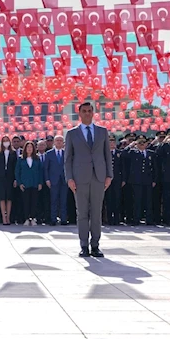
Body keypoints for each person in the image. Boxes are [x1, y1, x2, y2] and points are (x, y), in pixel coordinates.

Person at [65, 102, 112, 258]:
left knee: (97, 213)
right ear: (79, 113)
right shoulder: (72, 133)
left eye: (89, 111)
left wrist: (109, 175)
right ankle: (84, 245)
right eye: (84, 111)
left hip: (98, 176)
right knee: (82, 213)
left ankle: (96, 245)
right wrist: (69, 178)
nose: (87, 113)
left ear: (93, 113)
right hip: (80, 178)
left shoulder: (102, 131)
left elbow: (107, 155)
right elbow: (68, 158)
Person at [126, 136, 156, 225]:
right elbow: (124, 154)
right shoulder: (132, 153)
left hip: (148, 180)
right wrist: (130, 145)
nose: (142, 145)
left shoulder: (151, 154)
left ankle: (149, 219)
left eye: (144, 143)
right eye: (140, 143)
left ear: (146, 144)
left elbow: (155, 168)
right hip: (136, 180)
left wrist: (154, 179)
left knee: (148, 201)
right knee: (137, 200)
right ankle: (136, 219)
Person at [15, 140, 43, 226]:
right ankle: (26, 218)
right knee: (25, 202)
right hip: (25, 183)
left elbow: (40, 171)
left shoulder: (37, 159)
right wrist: (20, 183)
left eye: (31, 147)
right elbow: (17, 172)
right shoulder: (21, 158)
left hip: (35, 183)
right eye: (28, 147)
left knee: (34, 202)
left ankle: (33, 218)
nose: (29, 149)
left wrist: (40, 183)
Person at [44, 135, 68, 226]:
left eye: (61, 141)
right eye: (57, 140)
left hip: (64, 180)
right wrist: (47, 179)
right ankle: (53, 219)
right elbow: (46, 168)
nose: (59, 142)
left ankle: (63, 219)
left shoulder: (66, 153)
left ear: (63, 143)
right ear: (54, 142)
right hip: (53, 180)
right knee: (53, 200)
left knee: (63, 200)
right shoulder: (49, 153)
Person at [0, 136, 17, 226]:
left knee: (9, 197)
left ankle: (8, 217)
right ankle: (4, 217)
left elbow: (15, 167)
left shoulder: (13, 153)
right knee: (2, 197)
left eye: (7, 141)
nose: (6, 142)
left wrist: (15, 179)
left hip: (10, 177)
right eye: (4, 141)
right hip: (1, 177)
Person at [105, 136, 124, 226]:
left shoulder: (119, 153)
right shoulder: (103, 153)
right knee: (108, 199)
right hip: (106, 179)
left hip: (117, 179)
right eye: (109, 141)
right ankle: (109, 219)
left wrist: (123, 179)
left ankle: (117, 219)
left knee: (117, 199)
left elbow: (123, 167)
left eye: (113, 141)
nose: (111, 143)